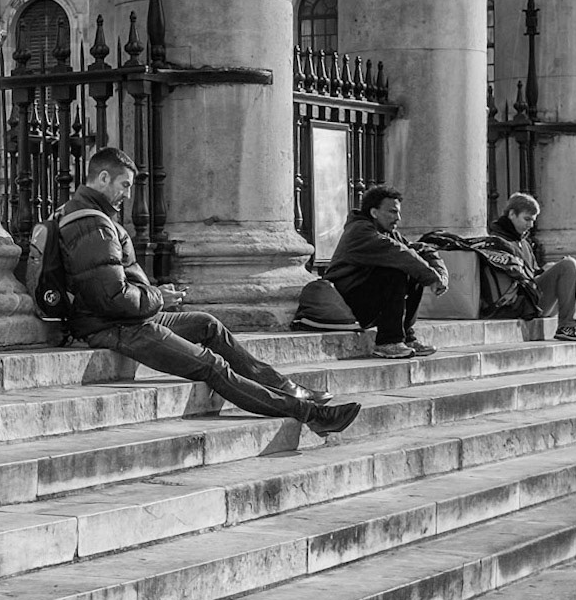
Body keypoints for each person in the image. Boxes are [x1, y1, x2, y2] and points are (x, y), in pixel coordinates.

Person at [57, 146, 360, 436]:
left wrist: (156, 295)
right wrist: (159, 296)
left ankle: (285, 386)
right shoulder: (92, 226)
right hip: (114, 327)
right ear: (103, 178)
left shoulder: (89, 216)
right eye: (124, 185)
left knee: (206, 324)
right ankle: (310, 414)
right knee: (211, 365)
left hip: (129, 318)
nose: (127, 194)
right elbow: (115, 299)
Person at [323, 185, 449, 359]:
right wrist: (431, 277)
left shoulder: (388, 232)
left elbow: (420, 250)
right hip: (344, 303)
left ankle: (406, 337)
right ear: (374, 212)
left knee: (412, 270)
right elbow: (400, 253)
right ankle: (387, 342)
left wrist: (440, 275)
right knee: (396, 271)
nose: (398, 218)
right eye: (392, 212)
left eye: (398, 212)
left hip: (366, 299)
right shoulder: (360, 231)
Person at [484, 192, 576, 344]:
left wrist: (546, 271)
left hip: (537, 295)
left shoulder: (524, 242)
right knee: (568, 264)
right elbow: (511, 282)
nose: (530, 225)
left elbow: (533, 271)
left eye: (533, 220)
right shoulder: (497, 242)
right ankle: (567, 326)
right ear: (512, 214)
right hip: (525, 303)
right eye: (527, 219)